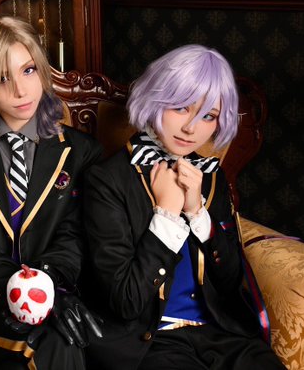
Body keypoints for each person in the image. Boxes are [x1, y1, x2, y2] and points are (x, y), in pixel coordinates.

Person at [83, 44, 285, 369]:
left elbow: (231, 284)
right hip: (150, 341)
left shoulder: (211, 177)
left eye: (209, 116)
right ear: (155, 99)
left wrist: (196, 213)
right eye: (180, 108)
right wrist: (165, 214)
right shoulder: (107, 180)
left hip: (220, 334)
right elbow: (125, 301)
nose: (192, 128)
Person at [0, 15, 103, 369]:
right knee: (57, 341)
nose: (20, 90)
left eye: (28, 70)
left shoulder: (81, 152)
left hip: (59, 289)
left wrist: (47, 288)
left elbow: (75, 235)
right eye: (2, 78)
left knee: (63, 338)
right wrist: (21, 290)